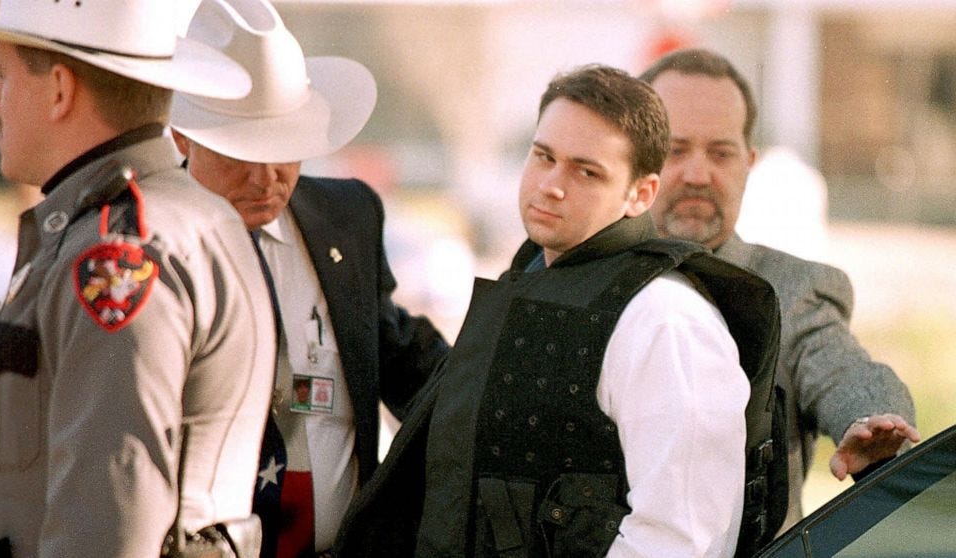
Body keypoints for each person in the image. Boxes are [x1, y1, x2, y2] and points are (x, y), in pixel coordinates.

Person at [335, 64, 782, 557]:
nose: (552, 184)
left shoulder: (665, 318)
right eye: (544, 157)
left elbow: (680, 537)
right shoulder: (533, 275)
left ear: (641, 194)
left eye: (586, 171)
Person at [0, 1, 278, 556]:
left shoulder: (118, 254)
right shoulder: (183, 217)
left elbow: (106, 523)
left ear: (60, 90)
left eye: (2, 76)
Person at [168, 1, 450, 556]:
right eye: (243, 151)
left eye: (285, 149)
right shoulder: (142, 241)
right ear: (183, 137)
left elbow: (401, 359)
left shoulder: (348, 217)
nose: (267, 176)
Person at [639, 47, 921, 531]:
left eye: (721, 153)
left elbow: (841, 369)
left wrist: (873, 418)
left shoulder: (792, 290)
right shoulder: (586, 278)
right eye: (675, 150)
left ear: (749, 163)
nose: (697, 174)